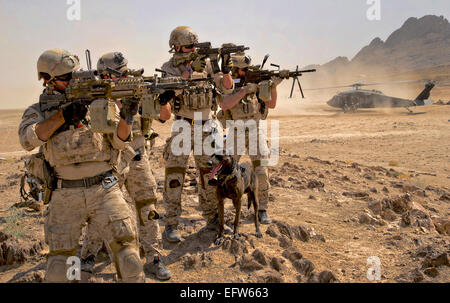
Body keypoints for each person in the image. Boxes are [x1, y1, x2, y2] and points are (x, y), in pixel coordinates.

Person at [18, 49, 145, 282]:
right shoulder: (39, 110)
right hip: (64, 193)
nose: (73, 81)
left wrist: (127, 116)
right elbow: (28, 139)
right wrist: (63, 116)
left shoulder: (99, 104)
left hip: (104, 189)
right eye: (66, 78)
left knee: (129, 260)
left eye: (74, 75)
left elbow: (118, 142)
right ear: (47, 80)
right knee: (59, 267)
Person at [80, 52, 172, 280]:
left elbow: (165, 116)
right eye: (116, 75)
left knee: (147, 206)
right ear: (104, 76)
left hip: (137, 157)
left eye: (124, 73)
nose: (123, 78)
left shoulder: (138, 90)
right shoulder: (97, 97)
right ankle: (89, 255)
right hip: (108, 161)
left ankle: (153, 257)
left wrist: (160, 99)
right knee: (102, 209)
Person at [160, 26, 234, 243]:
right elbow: (169, 92)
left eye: (195, 45)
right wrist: (190, 71)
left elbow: (227, 88)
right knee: (175, 177)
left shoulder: (209, 65)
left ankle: (212, 219)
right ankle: (171, 223)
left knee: (210, 175)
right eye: (189, 46)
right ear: (176, 47)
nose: (193, 49)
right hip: (182, 125)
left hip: (207, 127)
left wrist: (226, 70)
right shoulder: (169, 68)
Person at [218, 53, 283, 224]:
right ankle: (220, 208)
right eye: (242, 70)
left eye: (247, 69)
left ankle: (262, 209)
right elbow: (224, 105)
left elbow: (271, 105)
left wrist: (273, 86)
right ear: (234, 70)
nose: (245, 72)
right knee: (225, 171)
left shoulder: (257, 84)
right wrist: (245, 90)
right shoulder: (227, 85)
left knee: (261, 171)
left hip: (255, 131)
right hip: (235, 132)